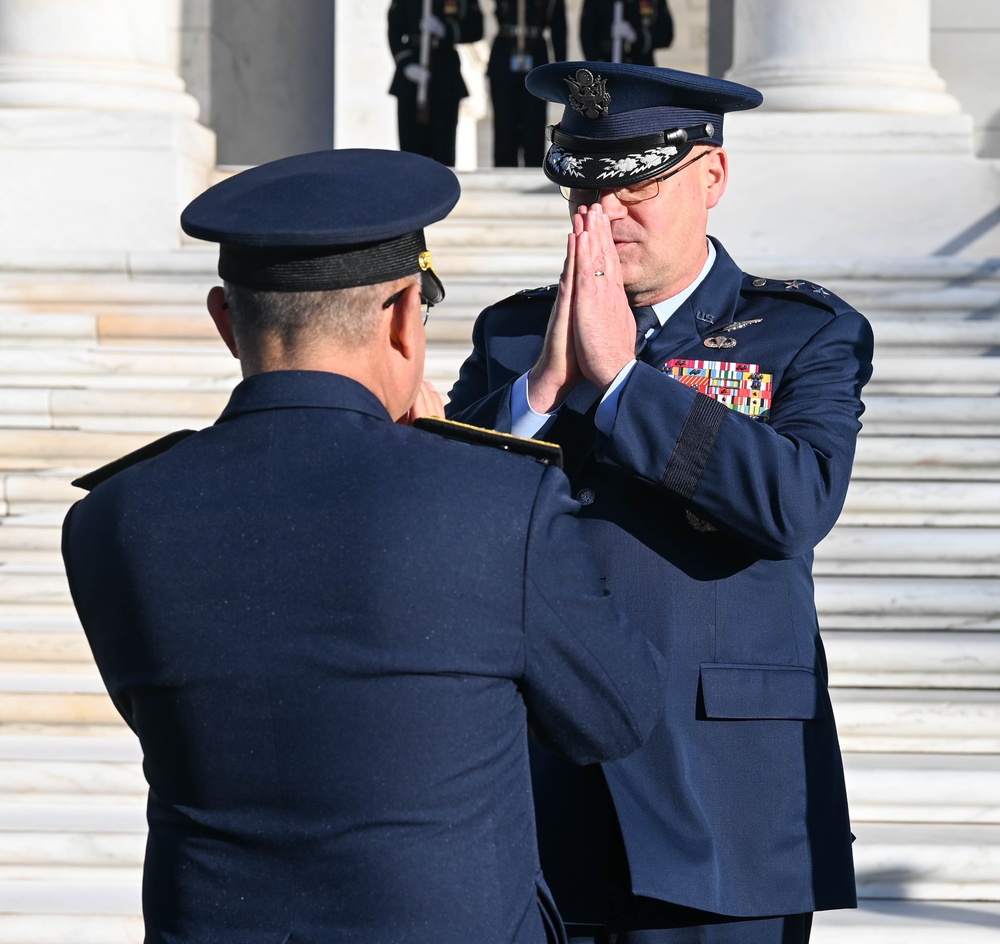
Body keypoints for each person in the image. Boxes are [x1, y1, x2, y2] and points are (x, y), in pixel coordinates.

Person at [61, 148, 669, 944]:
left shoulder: (113, 516)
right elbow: (615, 716)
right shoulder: (494, 499)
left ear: (223, 320)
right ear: (403, 318)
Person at [445, 62, 874, 944]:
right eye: (582, 188)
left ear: (710, 177)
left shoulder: (805, 331)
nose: (602, 215)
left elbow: (795, 500)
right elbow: (442, 509)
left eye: (635, 184)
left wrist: (620, 390)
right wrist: (540, 387)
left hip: (726, 794)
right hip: (537, 786)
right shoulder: (515, 335)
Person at [388, 0, 484, 166]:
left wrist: (445, 31)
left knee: (443, 152)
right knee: (411, 153)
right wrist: (406, 64)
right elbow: (394, 28)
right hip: (411, 77)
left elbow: (475, 28)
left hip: (445, 73)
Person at [488, 0, 567, 167]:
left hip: (535, 50)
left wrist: (561, 69)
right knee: (504, 120)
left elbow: (559, 28)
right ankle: (504, 169)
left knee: (534, 120)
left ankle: (534, 168)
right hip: (505, 52)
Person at [580, 0, 673, 65]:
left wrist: (637, 36)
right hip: (607, 67)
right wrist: (598, 64)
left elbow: (666, 34)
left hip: (642, 68)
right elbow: (587, 35)